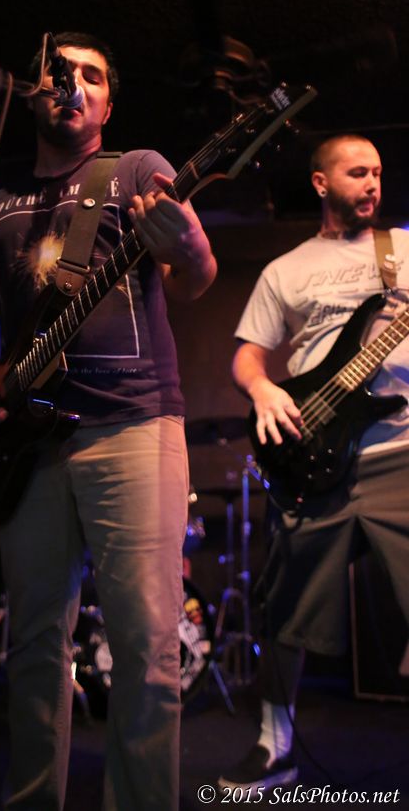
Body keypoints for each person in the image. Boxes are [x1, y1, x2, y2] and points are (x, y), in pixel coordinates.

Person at [0, 31, 217, 811]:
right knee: (33, 645)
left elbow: (193, 277)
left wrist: (192, 246)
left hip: (132, 423)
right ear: (33, 90)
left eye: (92, 75)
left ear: (109, 102)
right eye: (60, 73)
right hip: (28, 444)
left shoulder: (134, 169)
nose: (74, 85)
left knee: (148, 647)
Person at [218, 134, 409, 795]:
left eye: (377, 172)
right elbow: (248, 355)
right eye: (357, 172)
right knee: (286, 607)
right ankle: (275, 748)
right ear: (322, 182)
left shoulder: (402, 251)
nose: (372, 183)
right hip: (314, 454)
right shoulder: (286, 270)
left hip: (399, 451)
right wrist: (263, 389)